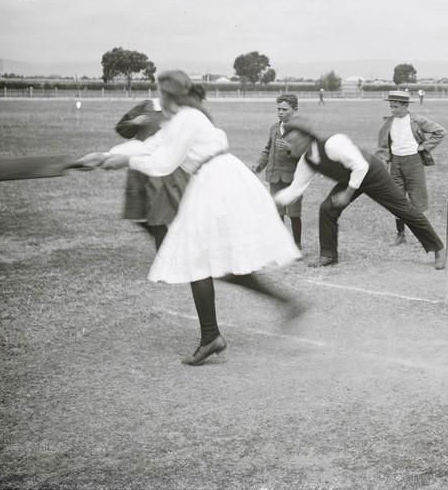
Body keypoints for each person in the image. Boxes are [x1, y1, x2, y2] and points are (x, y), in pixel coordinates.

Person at [79, 70, 304, 366]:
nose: (158, 97)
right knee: (216, 262)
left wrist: (124, 160)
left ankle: (212, 335)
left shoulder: (187, 117)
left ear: (169, 94)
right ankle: (276, 307)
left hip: (217, 182)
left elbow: (163, 162)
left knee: (200, 258)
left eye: (161, 92)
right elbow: (152, 146)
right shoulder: (183, 118)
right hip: (215, 180)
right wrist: (104, 155)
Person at [273, 117, 447, 269]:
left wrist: (347, 194)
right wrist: (273, 201)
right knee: (327, 208)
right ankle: (328, 256)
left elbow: (361, 166)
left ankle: (438, 249)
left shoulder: (333, 143)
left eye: (294, 139)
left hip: (371, 173)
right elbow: (296, 189)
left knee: (403, 209)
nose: (292, 144)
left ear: (305, 137)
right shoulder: (307, 160)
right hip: (350, 178)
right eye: (289, 141)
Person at [114, 98, 188, 250]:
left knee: (161, 218)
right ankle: (170, 250)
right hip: (142, 171)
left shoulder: (181, 110)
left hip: (167, 173)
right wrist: (133, 123)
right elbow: (121, 129)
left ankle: (167, 264)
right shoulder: (146, 106)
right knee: (142, 216)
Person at [375, 89, 446, 246]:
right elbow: (382, 146)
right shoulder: (388, 123)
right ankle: (400, 234)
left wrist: (424, 146)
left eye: (396, 107)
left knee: (417, 201)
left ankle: (424, 237)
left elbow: (440, 131)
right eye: (391, 107)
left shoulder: (417, 120)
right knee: (396, 199)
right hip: (395, 164)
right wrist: (384, 161)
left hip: (414, 163)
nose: (393, 110)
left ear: (405, 105)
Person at [252, 93, 303, 249]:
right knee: (278, 213)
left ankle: (296, 245)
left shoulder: (300, 130)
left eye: (284, 109)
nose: (280, 112)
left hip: (293, 179)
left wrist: (291, 149)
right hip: (275, 177)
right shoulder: (274, 128)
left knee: (294, 214)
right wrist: (259, 165)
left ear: (295, 110)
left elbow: (306, 154)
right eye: (278, 109)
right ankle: (281, 245)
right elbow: (267, 150)